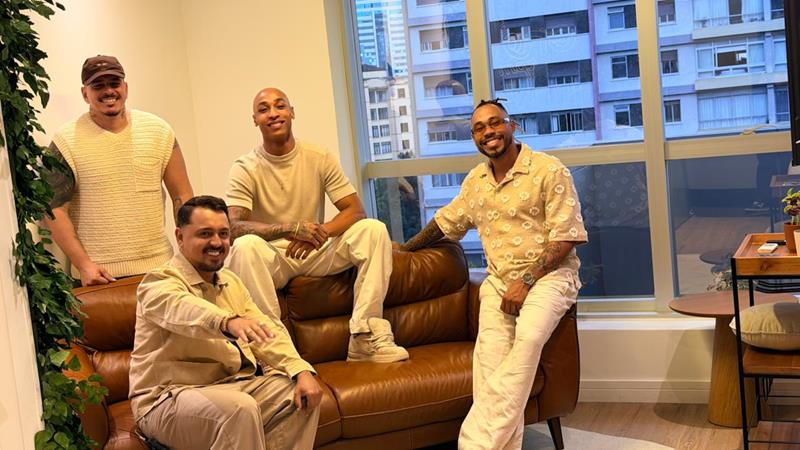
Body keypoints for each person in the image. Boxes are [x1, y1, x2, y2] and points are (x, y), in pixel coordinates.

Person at [400, 99, 587, 450]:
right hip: (499, 283)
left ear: (512, 126)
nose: (488, 132)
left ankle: (474, 445)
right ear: (474, 137)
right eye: (479, 128)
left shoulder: (549, 170)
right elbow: (445, 222)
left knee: (528, 340)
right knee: (489, 362)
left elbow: (566, 237)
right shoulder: (475, 182)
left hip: (550, 278)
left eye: (495, 123)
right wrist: (404, 249)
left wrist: (526, 281)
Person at [224, 87, 408, 363]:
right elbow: (234, 226)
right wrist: (289, 229)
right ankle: (274, 349)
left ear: (292, 112)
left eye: (280, 106)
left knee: (373, 229)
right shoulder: (245, 166)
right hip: (275, 256)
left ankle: (364, 336)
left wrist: (319, 234)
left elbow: (355, 210)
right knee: (244, 246)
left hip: (315, 248)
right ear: (255, 120)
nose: (273, 113)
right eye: (264, 109)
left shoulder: (318, 156)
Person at [130, 195, 321, 450]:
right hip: (165, 400)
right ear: (180, 237)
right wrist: (227, 321)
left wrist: (301, 370)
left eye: (223, 234)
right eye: (205, 234)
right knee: (239, 409)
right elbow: (182, 308)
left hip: (231, 387)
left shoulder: (231, 282)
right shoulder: (158, 282)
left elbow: (265, 331)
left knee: (299, 396)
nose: (216, 242)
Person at [43, 55, 193, 286]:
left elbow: (182, 196)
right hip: (99, 278)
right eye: (98, 85)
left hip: (161, 271)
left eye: (114, 83)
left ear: (125, 87)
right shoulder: (65, 141)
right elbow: (54, 209)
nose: (108, 91)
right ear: (85, 93)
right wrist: (84, 265)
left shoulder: (159, 131)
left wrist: (189, 253)